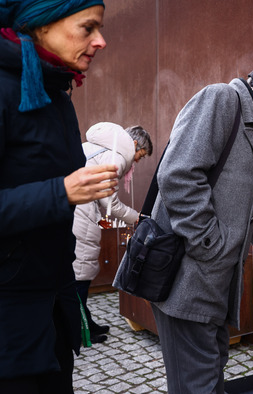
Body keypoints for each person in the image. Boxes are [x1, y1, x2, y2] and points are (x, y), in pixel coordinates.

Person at [149, 64, 253, 393]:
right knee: (199, 384)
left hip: (210, 286)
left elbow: (251, 215)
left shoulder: (252, 131)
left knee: (210, 372)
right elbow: (177, 175)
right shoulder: (222, 99)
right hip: (188, 282)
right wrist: (211, 246)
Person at [0, 1, 115, 393]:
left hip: (50, 313)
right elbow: (56, 190)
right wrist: (61, 191)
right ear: (41, 25)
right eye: (88, 28)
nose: (100, 41)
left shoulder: (56, 92)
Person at [73, 123, 152, 344]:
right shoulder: (116, 156)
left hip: (76, 210)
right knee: (80, 274)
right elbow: (109, 203)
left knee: (79, 272)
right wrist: (138, 218)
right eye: (139, 156)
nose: (136, 162)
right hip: (80, 212)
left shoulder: (97, 147)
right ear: (134, 144)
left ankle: (85, 321)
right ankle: (80, 330)